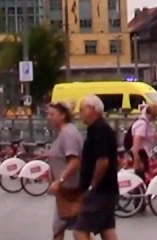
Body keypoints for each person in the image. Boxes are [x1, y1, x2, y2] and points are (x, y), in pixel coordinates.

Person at [75, 95, 119, 240]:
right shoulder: (98, 128)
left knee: (80, 231)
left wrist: (92, 186)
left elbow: (103, 160)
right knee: (106, 230)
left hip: (100, 191)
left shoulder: (99, 129)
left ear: (92, 109)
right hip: (107, 189)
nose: (79, 113)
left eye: (82, 109)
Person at [47, 102, 84, 240]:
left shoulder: (68, 133)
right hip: (65, 190)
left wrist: (59, 181)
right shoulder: (64, 132)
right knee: (62, 228)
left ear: (63, 115)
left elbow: (74, 161)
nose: (49, 117)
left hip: (71, 190)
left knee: (77, 231)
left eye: (52, 114)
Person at [129, 103, 157, 177]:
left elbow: (152, 134)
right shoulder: (142, 124)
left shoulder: (146, 122)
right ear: (150, 115)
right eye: (155, 116)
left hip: (143, 153)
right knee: (142, 175)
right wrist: (136, 157)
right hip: (141, 153)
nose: (155, 118)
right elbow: (137, 139)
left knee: (145, 173)